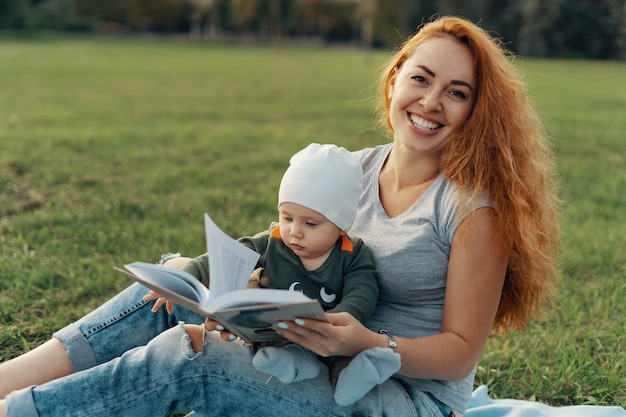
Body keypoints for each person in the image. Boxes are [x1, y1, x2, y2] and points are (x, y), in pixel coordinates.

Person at [0, 15, 559, 417]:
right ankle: (10, 382)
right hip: (309, 352)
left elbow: (460, 355)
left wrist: (364, 343)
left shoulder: (471, 210)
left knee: (192, 356)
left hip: (402, 396)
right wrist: (238, 290)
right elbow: (294, 248)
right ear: (394, 80)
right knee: (169, 286)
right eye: (421, 78)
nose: (431, 101)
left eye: (456, 92)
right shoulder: (354, 170)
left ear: (475, 112)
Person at [153, 142, 398, 406]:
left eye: (310, 223)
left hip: (328, 335)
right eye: (287, 217)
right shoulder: (274, 240)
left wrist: (342, 318)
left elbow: (363, 290)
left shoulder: (352, 254)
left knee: (344, 357)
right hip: (279, 335)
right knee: (269, 344)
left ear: (341, 226)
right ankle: (291, 361)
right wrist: (183, 279)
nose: (295, 231)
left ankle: (355, 377)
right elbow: (225, 256)